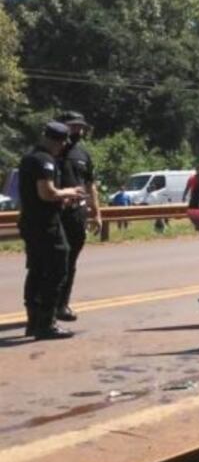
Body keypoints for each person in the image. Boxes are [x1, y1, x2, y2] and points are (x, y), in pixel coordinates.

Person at [18, 121, 85, 340]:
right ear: (56, 140)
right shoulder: (44, 160)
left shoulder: (30, 158)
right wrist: (68, 192)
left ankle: (34, 322)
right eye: (63, 141)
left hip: (31, 221)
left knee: (37, 269)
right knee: (57, 268)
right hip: (46, 223)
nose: (64, 145)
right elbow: (46, 193)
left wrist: (60, 200)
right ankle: (46, 324)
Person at [56, 111, 102, 322]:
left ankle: (62, 304)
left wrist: (96, 213)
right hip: (55, 215)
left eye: (81, 127)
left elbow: (90, 184)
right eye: (73, 126)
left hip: (77, 215)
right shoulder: (51, 152)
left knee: (70, 262)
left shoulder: (83, 154)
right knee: (53, 262)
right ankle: (43, 306)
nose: (78, 130)